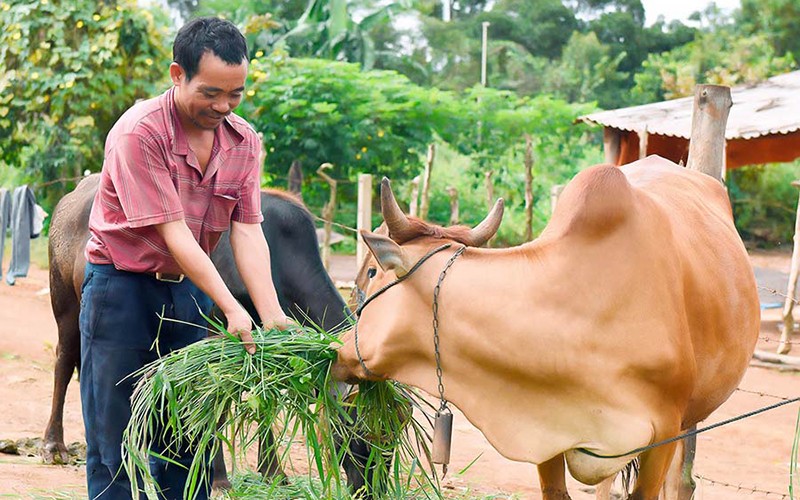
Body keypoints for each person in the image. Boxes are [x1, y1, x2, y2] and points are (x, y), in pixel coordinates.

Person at [79, 17, 288, 499]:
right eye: (211, 92)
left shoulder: (244, 141)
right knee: (116, 439)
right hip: (121, 288)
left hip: (190, 292)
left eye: (235, 94)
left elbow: (249, 229)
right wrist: (234, 309)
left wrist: (272, 314)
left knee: (189, 435)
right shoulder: (139, 132)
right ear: (178, 74)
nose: (223, 106)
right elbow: (173, 232)